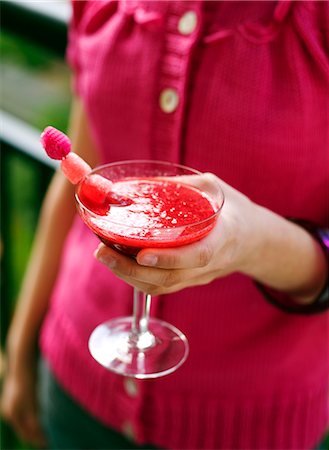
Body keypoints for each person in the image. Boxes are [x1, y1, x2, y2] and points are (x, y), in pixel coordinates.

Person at [1, 1, 328, 449]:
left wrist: (251, 242)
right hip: (74, 385)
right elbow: (82, 182)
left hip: (246, 426)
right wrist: (21, 344)